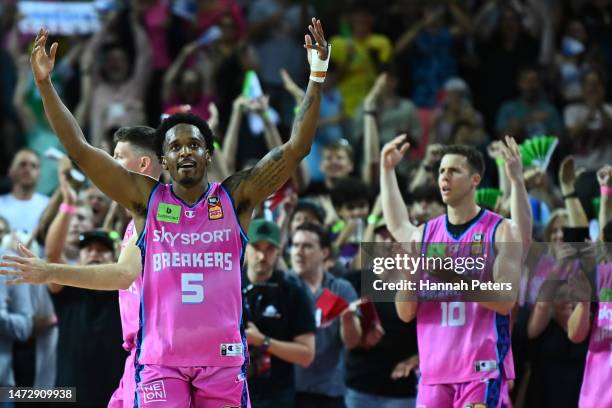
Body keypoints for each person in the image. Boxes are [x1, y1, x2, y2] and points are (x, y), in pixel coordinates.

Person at [29, 18, 330, 406]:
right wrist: (44, 85)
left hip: (223, 360)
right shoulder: (146, 199)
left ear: (208, 154)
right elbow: (82, 151)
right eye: (175, 147)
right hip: (161, 361)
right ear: (164, 161)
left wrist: (317, 75)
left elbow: (295, 149)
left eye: (194, 145)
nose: (185, 151)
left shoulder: (236, 197)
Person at [392, 138, 530, 407]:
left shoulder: (501, 230)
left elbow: (505, 301)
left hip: (482, 370)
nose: (445, 176)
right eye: (442, 171)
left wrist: (451, 276)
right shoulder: (423, 235)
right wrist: (409, 278)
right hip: (434, 373)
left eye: (454, 171)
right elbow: (405, 312)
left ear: (475, 180)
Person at [243, 219, 316, 407]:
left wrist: (262, 341)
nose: (262, 255)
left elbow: (307, 355)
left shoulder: (293, 291)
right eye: (256, 247)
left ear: (279, 252)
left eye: (269, 249)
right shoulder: (227, 286)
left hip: (275, 396)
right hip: (231, 391)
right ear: (244, 246)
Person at [291, 223, 362, 408]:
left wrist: (347, 320)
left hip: (330, 391)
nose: (299, 252)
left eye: (307, 246)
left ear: (324, 252)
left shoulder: (341, 288)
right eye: (295, 245)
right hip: (289, 391)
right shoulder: (284, 286)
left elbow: (352, 342)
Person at [0, 149, 49, 235]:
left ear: (39, 174)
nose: (28, 169)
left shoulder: (49, 206)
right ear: (10, 170)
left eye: (34, 166)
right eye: (22, 164)